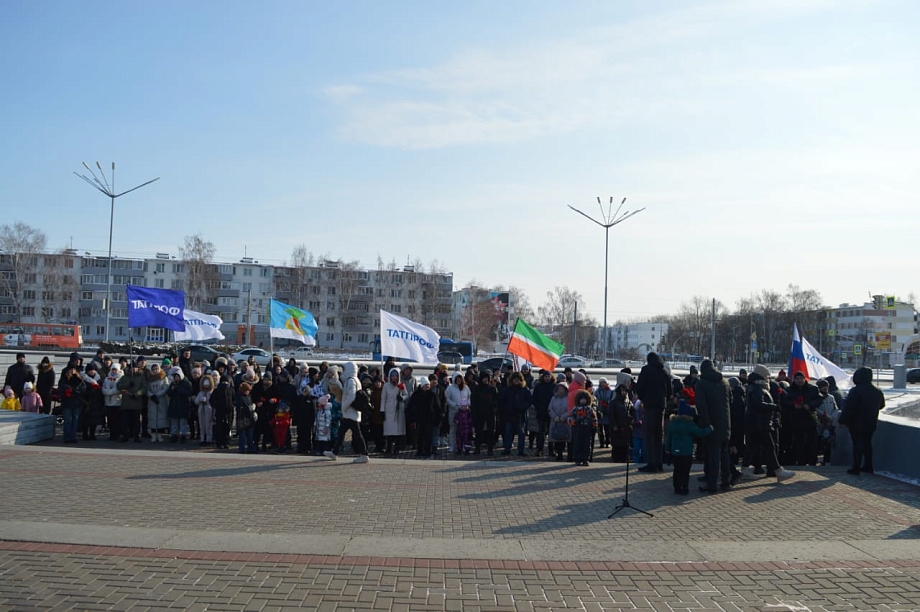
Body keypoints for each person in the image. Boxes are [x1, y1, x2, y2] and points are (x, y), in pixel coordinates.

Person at [740, 365, 794, 483]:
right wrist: (774, 407)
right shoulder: (757, 388)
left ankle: (744, 470)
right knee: (770, 447)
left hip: (756, 423)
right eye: (767, 376)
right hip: (760, 424)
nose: (768, 378)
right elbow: (759, 404)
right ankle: (778, 471)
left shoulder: (754, 386)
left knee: (752, 447)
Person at [695, 359, 733, 492]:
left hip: (711, 424)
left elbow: (701, 405)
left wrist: (706, 424)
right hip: (725, 423)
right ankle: (726, 482)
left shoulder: (701, 384)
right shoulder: (725, 382)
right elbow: (730, 401)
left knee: (713, 455)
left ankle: (712, 483)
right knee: (724, 453)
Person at [840, 366, 885, 475]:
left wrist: (842, 420)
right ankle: (868, 466)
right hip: (871, 421)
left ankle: (856, 467)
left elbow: (849, 408)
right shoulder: (877, 391)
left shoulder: (856, 391)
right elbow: (882, 405)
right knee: (867, 444)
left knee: (857, 444)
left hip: (856, 422)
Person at [665, 400, 713, 495]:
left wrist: (668, 449)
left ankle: (677, 487)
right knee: (685, 471)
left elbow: (668, 439)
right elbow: (700, 433)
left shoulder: (673, 424)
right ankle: (684, 487)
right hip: (686, 453)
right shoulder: (690, 425)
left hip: (676, 452)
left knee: (677, 470)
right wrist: (710, 429)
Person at [636, 352, 671, 473]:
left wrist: (643, 399)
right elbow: (669, 388)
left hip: (650, 405)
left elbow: (640, 387)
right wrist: (665, 399)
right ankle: (659, 463)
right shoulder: (664, 371)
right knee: (659, 435)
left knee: (649, 434)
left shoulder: (646, 370)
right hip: (661, 406)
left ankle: (652, 463)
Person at [781, 371, 823, 466]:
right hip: (796, 419)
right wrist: (793, 405)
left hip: (810, 418)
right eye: (797, 379)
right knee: (798, 441)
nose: (799, 380)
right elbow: (784, 402)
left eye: (801, 378)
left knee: (812, 441)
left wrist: (810, 405)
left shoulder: (813, 389)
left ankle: (812, 461)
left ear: (805, 379)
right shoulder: (789, 390)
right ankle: (801, 461)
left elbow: (819, 399)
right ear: (794, 380)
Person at [337, 361, 370, 463]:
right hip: (350, 413)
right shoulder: (353, 380)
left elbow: (351, 396)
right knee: (341, 432)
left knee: (357, 434)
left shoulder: (351, 381)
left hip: (351, 412)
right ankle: (334, 452)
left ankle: (364, 454)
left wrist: (344, 407)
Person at [499, 371, 532, 456]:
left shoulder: (525, 390)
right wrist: (508, 408)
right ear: (512, 380)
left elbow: (529, 401)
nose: (517, 381)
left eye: (518, 379)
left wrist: (522, 408)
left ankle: (521, 450)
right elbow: (502, 401)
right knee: (508, 433)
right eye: (515, 379)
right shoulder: (507, 390)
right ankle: (507, 449)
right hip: (510, 415)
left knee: (521, 435)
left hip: (520, 415)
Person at [116, 361, 146, 443]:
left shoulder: (141, 377)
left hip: (136, 402)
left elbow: (144, 388)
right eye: (132, 367)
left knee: (136, 421)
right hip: (126, 403)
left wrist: (138, 393)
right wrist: (128, 384)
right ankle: (125, 436)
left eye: (135, 367)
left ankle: (137, 436)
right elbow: (118, 386)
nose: (134, 369)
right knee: (125, 422)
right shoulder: (125, 377)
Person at [409, 377, 440, 458]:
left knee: (429, 437)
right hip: (419, 419)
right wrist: (412, 418)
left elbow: (437, 407)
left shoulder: (433, 395)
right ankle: (419, 451)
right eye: (426, 385)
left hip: (430, 419)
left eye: (428, 385)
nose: (427, 386)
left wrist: (438, 419)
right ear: (422, 386)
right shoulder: (416, 395)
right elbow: (411, 407)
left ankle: (428, 451)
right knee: (420, 436)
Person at [380, 367, 408, 457]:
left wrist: (402, 398)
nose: (394, 378)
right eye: (392, 376)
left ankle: (397, 449)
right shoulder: (386, 386)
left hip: (399, 410)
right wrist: (382, 411)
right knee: (389, 432)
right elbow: (383, 399)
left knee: (398, 432)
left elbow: (406, 394)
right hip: (389, 410)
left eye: (396, 376)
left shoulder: (401, 385)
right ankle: (388, 449)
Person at [568, 389, 597, 466]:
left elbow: (594, 418)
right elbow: (570, 418)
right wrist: (574, 423)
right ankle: (577, 459)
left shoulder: (590, 409)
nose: (583, 401)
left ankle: (585, 459)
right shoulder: (575, 409)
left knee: (587, 445)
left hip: (587, 429)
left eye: (584, 399)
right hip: (577, 429)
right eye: (581, 399)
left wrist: (594, 426)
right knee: (577, 444)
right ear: (578, 400)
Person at [471, 371, 497, 455]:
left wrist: (493, 407)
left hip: (490, 413)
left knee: (490, 431)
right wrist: (474, 412)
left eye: (487, 378)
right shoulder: (477, 389)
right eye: (484, 378)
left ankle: (490, 449)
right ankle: (477, 448)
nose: (485, 380)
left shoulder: (492, 389)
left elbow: (496, 401)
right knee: (479, 431)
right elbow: (473, 402)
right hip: (479, 413)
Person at [445, 371, 470, 454]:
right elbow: (447, 399)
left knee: (463, 431)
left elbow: (469, 397)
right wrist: (454, 405)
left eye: (460, 379)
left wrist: (467, 404)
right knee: (453, 429)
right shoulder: (450, 388)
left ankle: (462, 445)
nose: (459, 380)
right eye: (457, 379)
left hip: (464, 412)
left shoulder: (466, 387)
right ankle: (452, 445)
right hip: (454, 411)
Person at [166, 367, 193, 443]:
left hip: (183, 405)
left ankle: (183, 435)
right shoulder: (173, 384)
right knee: (174, 422)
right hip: (174, 405)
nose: (176, 378)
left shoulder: (187, 383)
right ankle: (174, 435)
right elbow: (168, 393)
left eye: (177, 376)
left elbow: (189, 393)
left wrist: (178, 389)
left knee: (182, 422)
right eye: (175, 376)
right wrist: (172, 389)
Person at [146, 362, 169, 442]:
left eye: (156, 369)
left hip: (161, 399)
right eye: (153, 369)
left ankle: (159, 434)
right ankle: (153, 434)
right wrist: (152, 395)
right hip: (152, 400)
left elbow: (165, 388)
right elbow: (147, 389)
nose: (155, 371)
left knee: (161, 417)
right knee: (152, 417)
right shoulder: (149, 379)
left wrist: (157, 395)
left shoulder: (163, 377)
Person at [548, 382, 571, 461]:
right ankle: (559, 454)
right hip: (556, 421)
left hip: (566, 421)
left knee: (568, 438)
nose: (561, 390)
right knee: (558, 439)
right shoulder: (553, 398)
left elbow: (570, 409)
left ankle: (569, 455)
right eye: (559, 389)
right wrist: (555, 417)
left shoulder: (569, 398)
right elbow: (550, 409)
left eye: (562, 389)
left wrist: (564, 417)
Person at [80, 362, 104, 440]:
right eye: (90, 370)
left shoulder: (98, 379)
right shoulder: (83, 379)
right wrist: (90, 391)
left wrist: (98, 389)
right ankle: (85, 434)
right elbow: (81, 390)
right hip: (86, 402)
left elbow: (101, 390)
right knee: (85, 420)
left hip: (96, 401)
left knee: (94, 420)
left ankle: (92, 434)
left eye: (93, 370)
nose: (91, 371)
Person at [101, 364, 123, 441]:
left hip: (117, 402)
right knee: (110, 420)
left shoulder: (120, 378)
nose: (114, 371)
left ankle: (118, 434)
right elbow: (104, 390)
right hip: (108, 403)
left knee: (117, 420)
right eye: (113, 369)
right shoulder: (107, 379)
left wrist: (110, 392)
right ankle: (112, 434)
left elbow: (119, 390)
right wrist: (110, 392)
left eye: (115, 370)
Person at [235, 381, 258, 454]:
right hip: (242, 419)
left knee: (250, 436)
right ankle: (242, 449)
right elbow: (240, 408)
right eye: (247, 390)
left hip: (250, 418)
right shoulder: (239, 397)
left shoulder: (249, 396)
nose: (248, 392)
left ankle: (251, 448)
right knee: (242, 436)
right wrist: (249, 408)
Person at [195, 374, 216, 446]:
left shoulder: (212, 393)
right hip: (201, 409)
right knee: (202, 424)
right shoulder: (201, 393)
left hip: (209, 409)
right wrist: (200, 399)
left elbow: (213, 402)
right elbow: (196, 401)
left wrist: (207, 401)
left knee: (209, 425)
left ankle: (209, 439)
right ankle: (202, 438)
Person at [594, 378, 614, 449]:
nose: (603, 384)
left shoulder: (611, 391)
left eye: (604, 382)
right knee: (600, 429)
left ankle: (608, 442)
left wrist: (607, 403)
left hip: (608, 411)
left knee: (607, 429)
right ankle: (601, 442)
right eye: (602, 382)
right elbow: (595, 400)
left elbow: (612, 400)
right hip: (599, 411)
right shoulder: (597, 391)